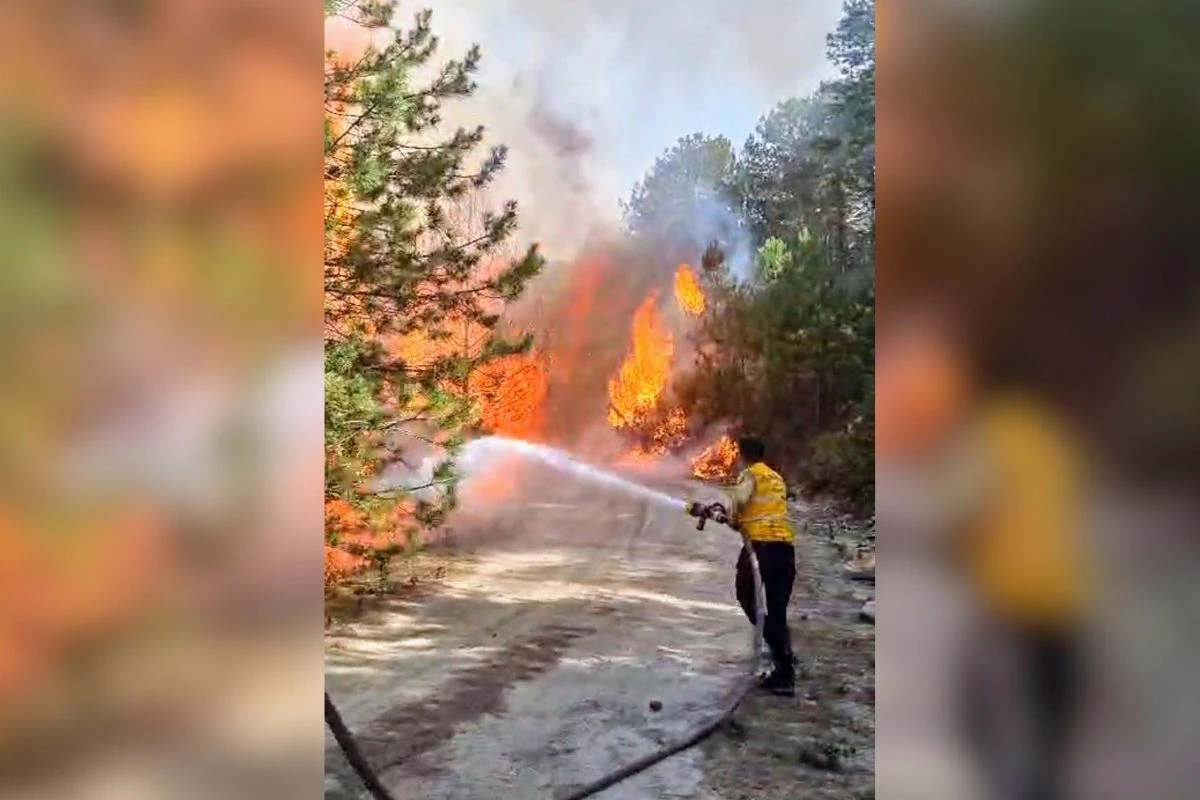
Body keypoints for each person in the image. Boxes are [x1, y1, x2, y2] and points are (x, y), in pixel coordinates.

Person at [725, 435, 797, 697]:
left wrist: (731, 517)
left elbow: (738, 506)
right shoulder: (776, 478)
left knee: (747, 598)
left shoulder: (749, 475)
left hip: (761, 548)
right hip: (785, 551)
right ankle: (784, 667)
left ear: (743, 455)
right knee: (778, 611)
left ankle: (781, 653)